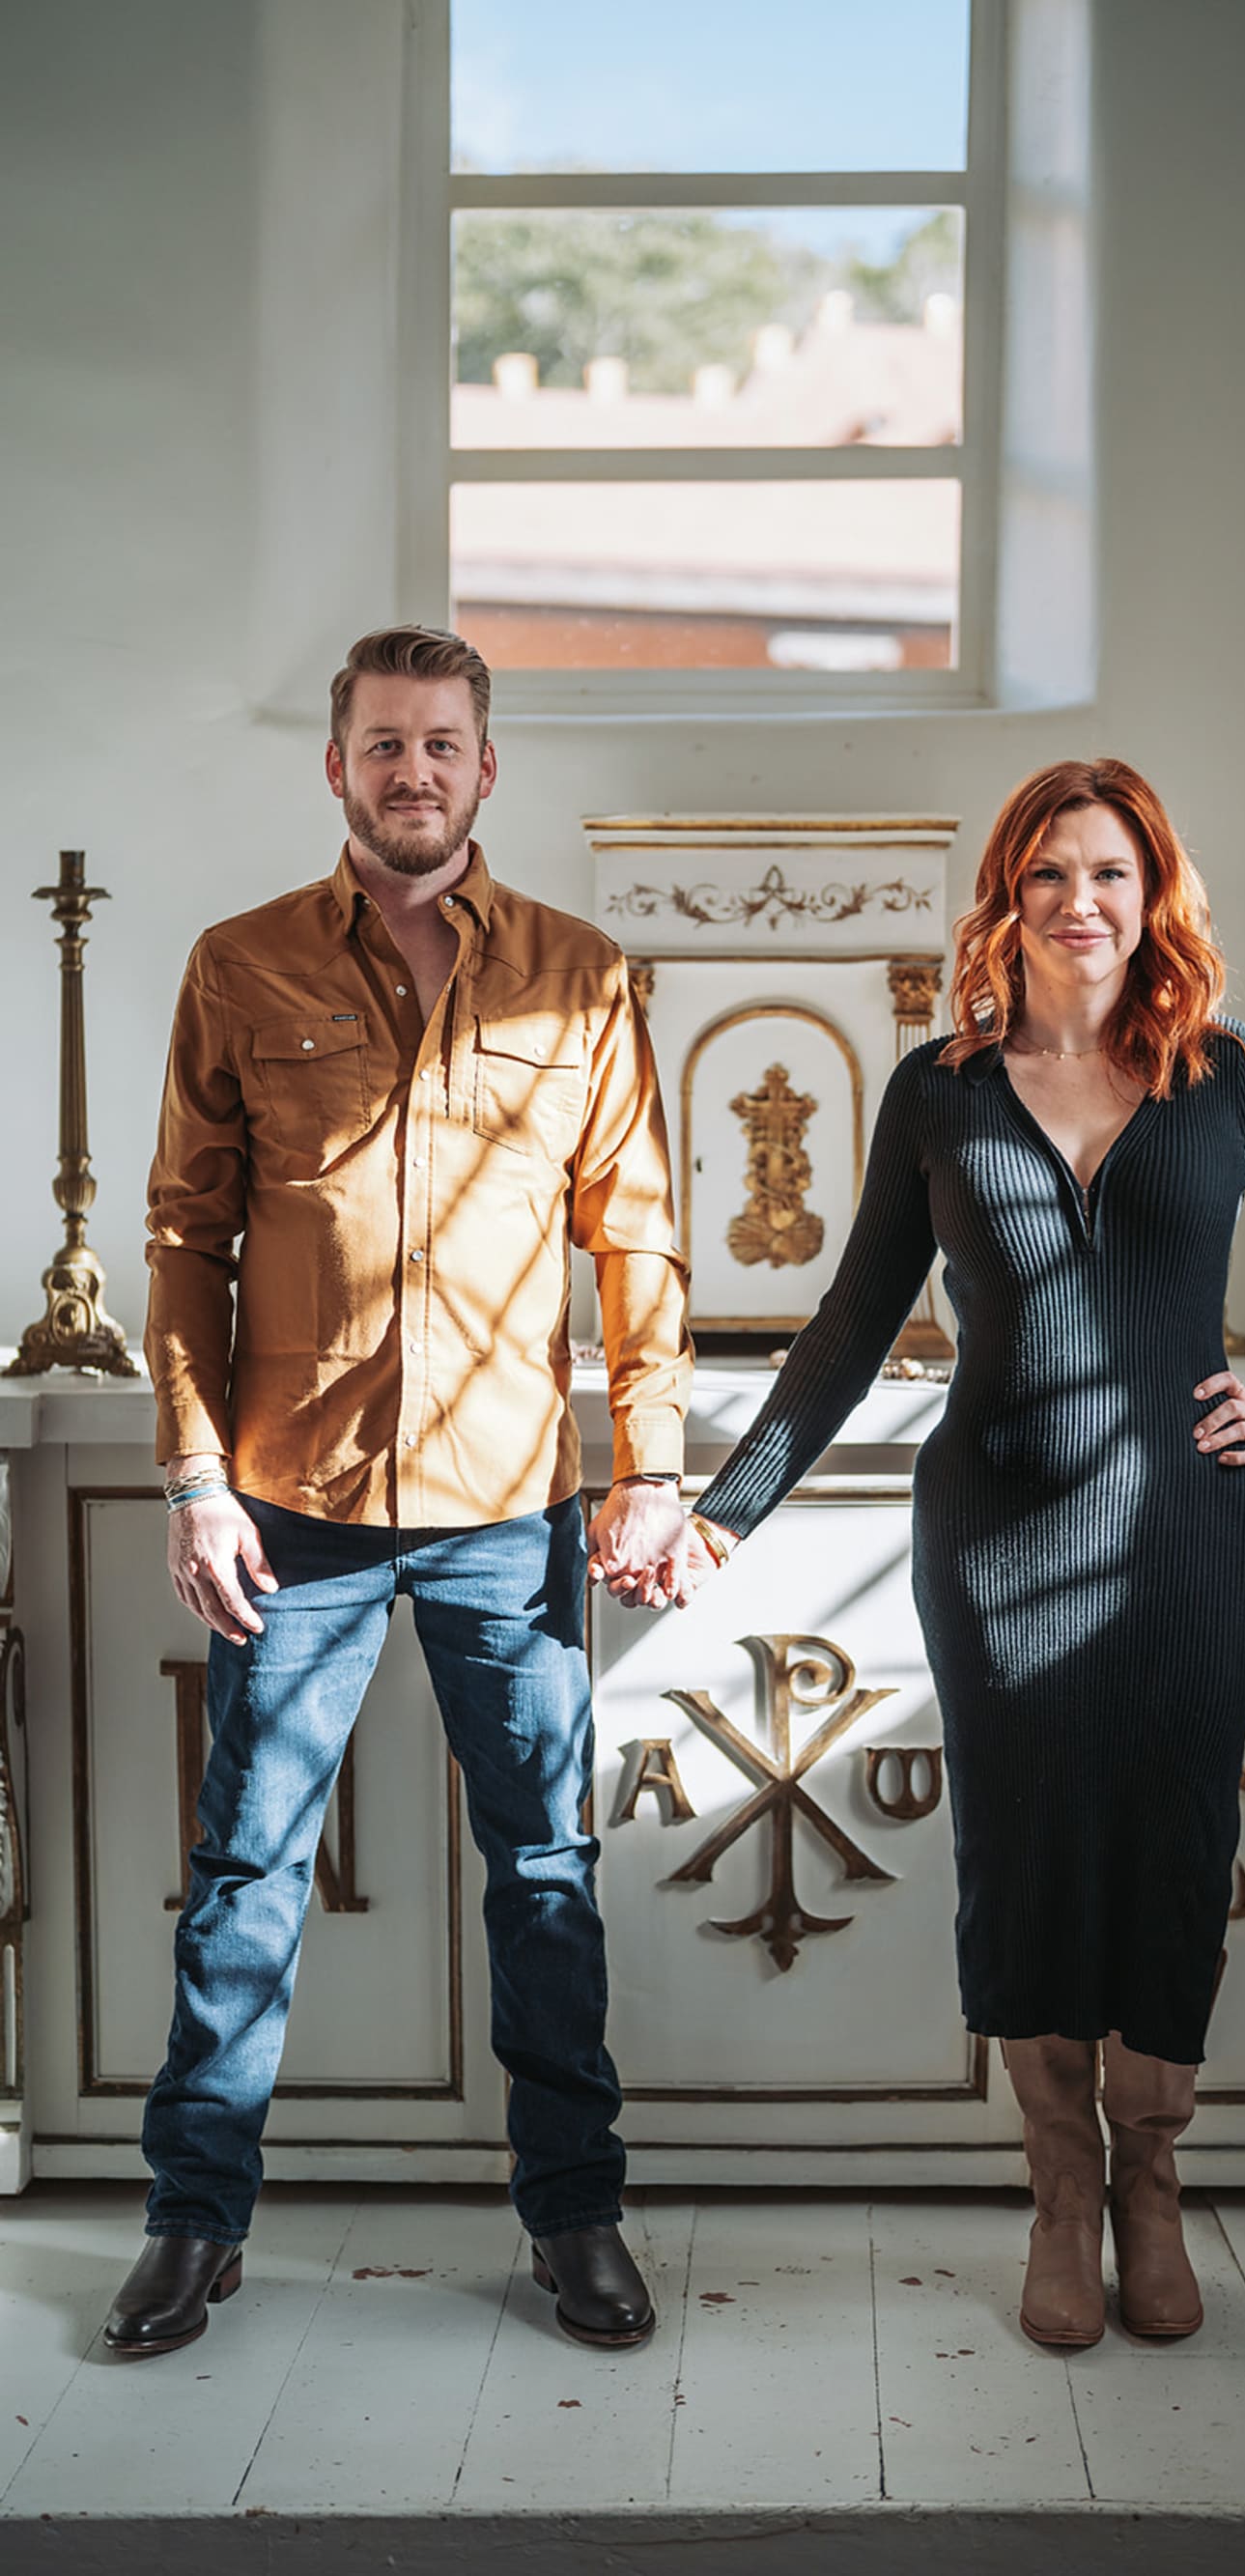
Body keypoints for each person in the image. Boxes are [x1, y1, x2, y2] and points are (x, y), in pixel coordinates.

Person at [655, 757, 1245, 2350]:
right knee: (1027, 1858)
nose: (1082, 901)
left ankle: (1153, 2180)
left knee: (1168, 1857)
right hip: (995, 1537)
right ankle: (1060, 2190)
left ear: (1157, 901)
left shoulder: (1223, 1074)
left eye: (1112, 874)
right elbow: (852, 1328)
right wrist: (724, 1510)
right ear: (1008, 897)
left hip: (1191, 1542)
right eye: (1052, 872)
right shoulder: (939, 1088)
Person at [107, 624, 694, 2360]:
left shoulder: (586, 978)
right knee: (246, 1881)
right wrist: (197, 1478)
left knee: (545, 1876)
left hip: (512, 1514)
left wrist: (652, 1467)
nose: (413, 772)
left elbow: (636, 1241)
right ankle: (190, 2226)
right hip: (288, 1513)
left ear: (488, 767)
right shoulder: (240, 965)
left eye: (443, 744)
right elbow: (183, 1238)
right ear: (340, 766)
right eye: (383, 745)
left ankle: (575, 2218)